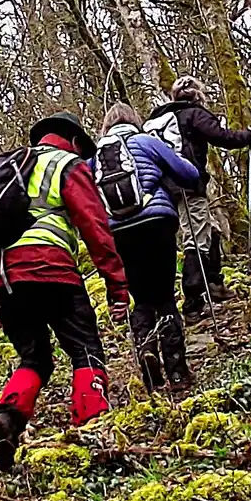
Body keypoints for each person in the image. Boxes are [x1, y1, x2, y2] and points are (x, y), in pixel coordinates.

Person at [0, 111, 131, 472]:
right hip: (51, 270)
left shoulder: (5, 170)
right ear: (74, 141)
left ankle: (8, 418)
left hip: (2, 279)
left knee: (35, 359)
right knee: (85, 351)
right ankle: (93, 432)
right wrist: (117, 285)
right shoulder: (67, 164)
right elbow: (95, 227)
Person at [95, 101, 204, 392]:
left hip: (119, 231)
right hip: (157, 222)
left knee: (141, 299)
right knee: (165, 297)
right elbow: (189, 174)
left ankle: (147, 355)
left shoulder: (94, 157)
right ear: (134, 121)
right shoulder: (146, 141)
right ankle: (177, 373)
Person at [144, 76, 251, 323]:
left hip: (164, 190)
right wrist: (249, 135)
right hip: (188, 184)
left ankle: (214, 284)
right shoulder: (193, 114)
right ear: (197, 95)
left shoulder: (155, 121)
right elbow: (222, 137)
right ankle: (192, 302)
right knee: (196, 239)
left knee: (212, 229)